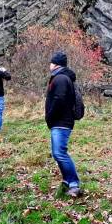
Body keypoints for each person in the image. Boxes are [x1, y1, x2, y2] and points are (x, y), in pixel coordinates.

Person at [44, 51, 81, 197]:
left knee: (60, 153)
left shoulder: (60, 79)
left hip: (61, 122)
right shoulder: (62, 77)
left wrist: (49, 116)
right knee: (58, 153)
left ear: (55, 64)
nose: (50, 65)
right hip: (61, 121)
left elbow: (59, 100)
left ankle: (73, 184)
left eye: (51, 62)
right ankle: (67, 180)